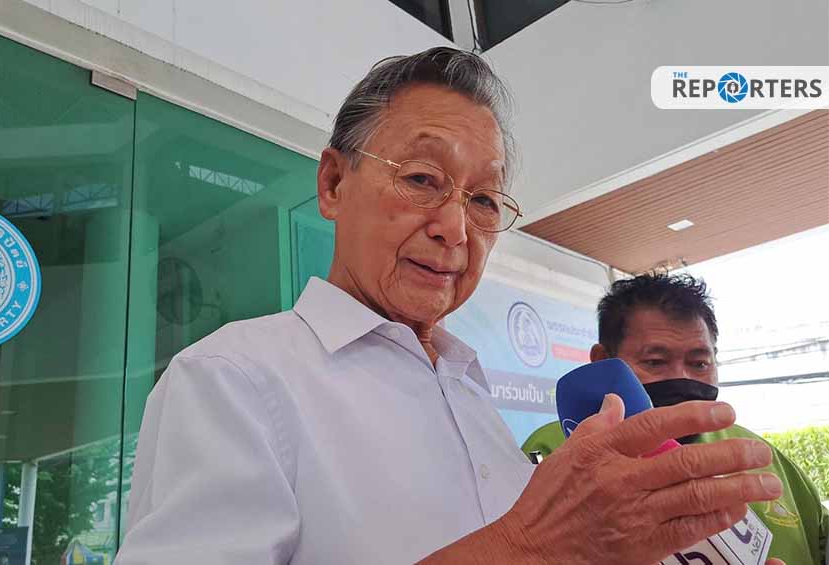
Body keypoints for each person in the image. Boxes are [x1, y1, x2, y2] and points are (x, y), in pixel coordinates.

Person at [115, 48, 786, 565]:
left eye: (484, 200)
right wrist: (530, 545)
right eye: (421, 178)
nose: (455, 229)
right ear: (333, 182)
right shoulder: (233, 379)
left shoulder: (469, 392)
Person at [524, 272, 828, 564]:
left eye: (699, 363)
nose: (682, 378)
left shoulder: (758, 454)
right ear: (603, 361)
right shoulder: (554, 451)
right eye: (655, 361)